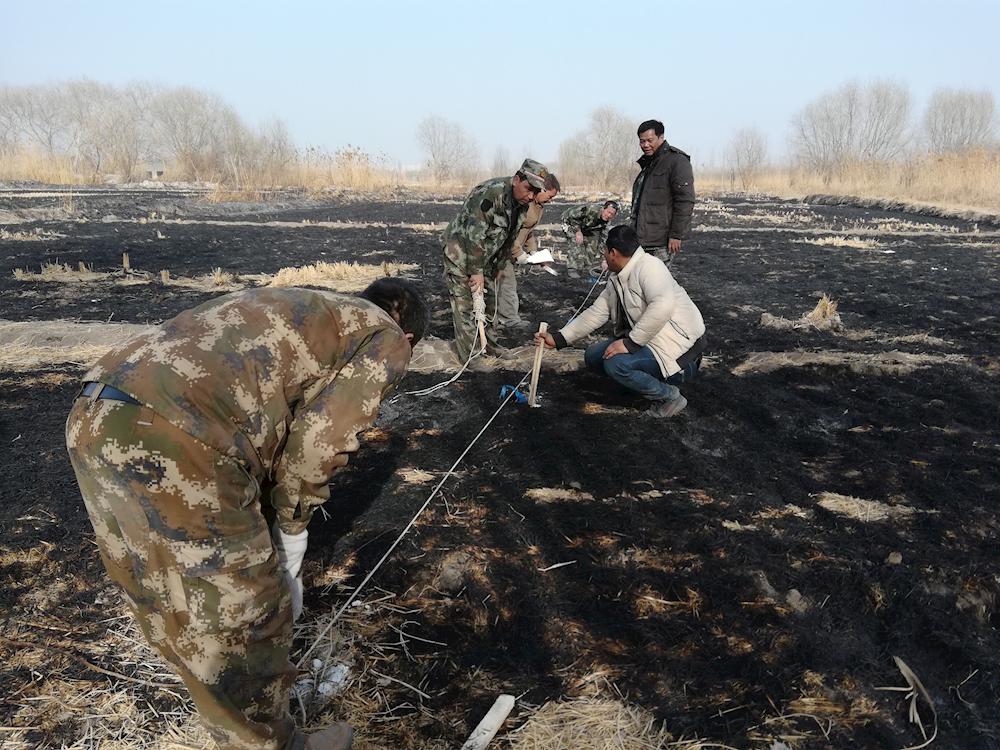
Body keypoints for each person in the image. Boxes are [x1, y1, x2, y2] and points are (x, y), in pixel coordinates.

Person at [65, 279, 430, 750]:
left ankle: (216, 705)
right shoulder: (385, 338)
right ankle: (268, 743)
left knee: (155, 583)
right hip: (180, 433)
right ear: (411, 338)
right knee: (248, 608)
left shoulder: (310, 307)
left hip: (93, 409)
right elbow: (319, 446)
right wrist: (292, 528)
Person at [534, 225, 706, 417]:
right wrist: (559, 339)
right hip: (654, 342)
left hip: (681, 355)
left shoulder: (650, 267)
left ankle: (669, 396)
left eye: (605, 252)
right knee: (593, 355)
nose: (604, 257)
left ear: (613, 253)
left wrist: (631, 343)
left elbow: (663, 306)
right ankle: (639, 386)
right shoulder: (618, 277)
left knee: (616, 364)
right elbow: (597, 312)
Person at [442, 158, 550, 363]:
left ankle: (490, 345)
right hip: (461, 253)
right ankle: (471, 357)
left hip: (487, 257)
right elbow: (474, 235)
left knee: (489, 303)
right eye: (528, 189)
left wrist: (499, 265)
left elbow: (511, 235)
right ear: (516, 179)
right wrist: (476, 272)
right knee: (465, 305)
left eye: (535, 192)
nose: (530, 196)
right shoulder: (491, 193)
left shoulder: (522, 203)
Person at [496, 172, 560, 329]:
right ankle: (507, 319)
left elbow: (527, 230)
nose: (550, 201)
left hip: (511, 249)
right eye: (549, 196)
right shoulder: (524, 203)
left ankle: (499, 318)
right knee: (507, 284)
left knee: (505, 284)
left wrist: (532, 251)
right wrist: (519, 255)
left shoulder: (538, 206)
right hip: (502, 250)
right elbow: (509, 232)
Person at [630, 119, 695, 264]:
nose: (645, 145)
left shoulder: (677, 161)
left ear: (661, 137)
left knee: (657, 282)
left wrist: (676, 235)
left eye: (650, 140)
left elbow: (685, 200)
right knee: (640, 281)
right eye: (642, 141)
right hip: (641, 237)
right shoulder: (649, 163)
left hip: (661, 240)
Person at [560, 200, 619, 278]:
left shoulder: (606, 223)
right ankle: (572, 269)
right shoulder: (590, 210)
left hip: (587, 227)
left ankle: (585, 269)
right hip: (570, 221)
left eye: (612, 214)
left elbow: (603, 241)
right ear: (603, 209)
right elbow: (572, 217)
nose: (609, 215)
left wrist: (604, 260)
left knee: (593, 243)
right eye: (608, 212)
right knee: (576, 241)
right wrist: (577, 231)